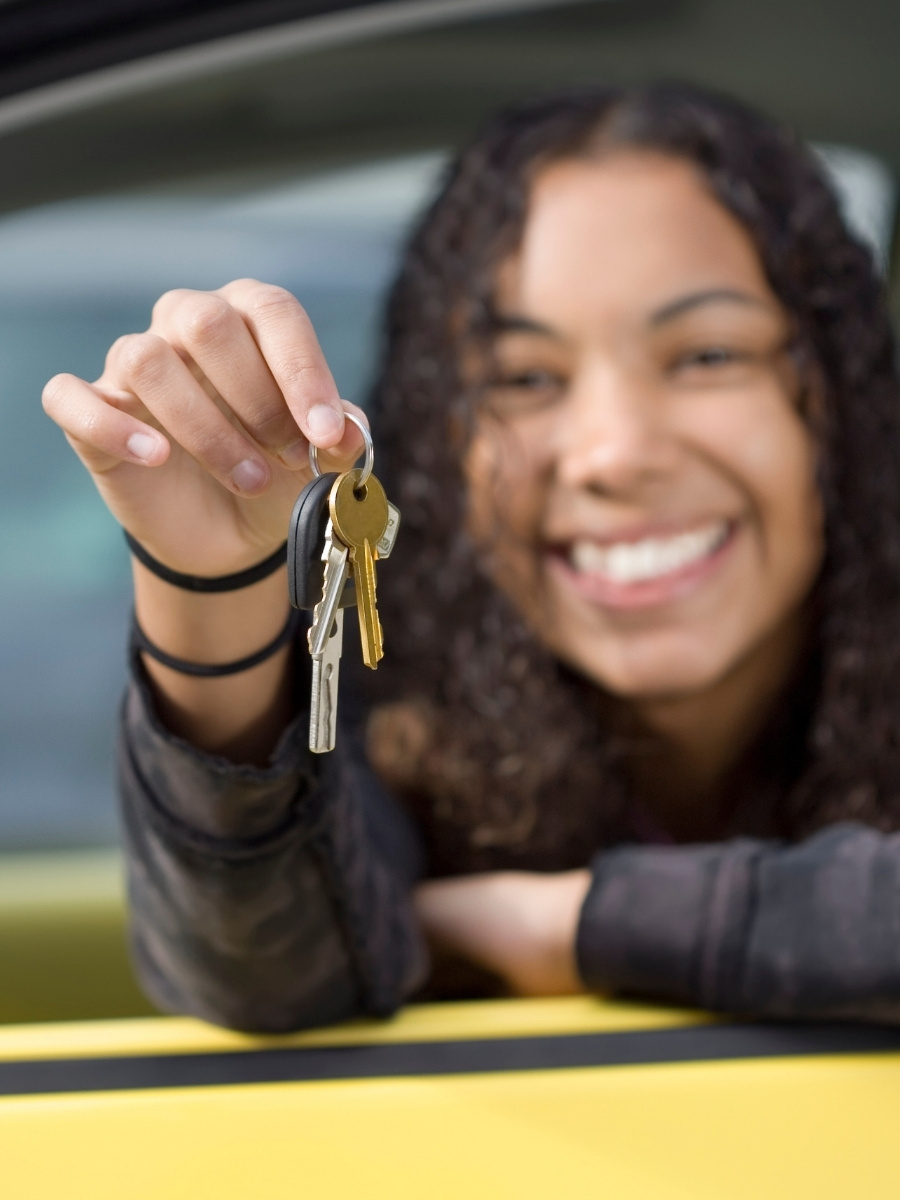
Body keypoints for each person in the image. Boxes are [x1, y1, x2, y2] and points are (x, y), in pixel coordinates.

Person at [43, 83, 900, 1031]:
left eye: (707, 357)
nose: (613, 453)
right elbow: (268, 979)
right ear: (443, 447)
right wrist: (210, 586)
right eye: (525, 379)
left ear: (839, 396)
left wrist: (570, 926)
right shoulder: (396, 700)